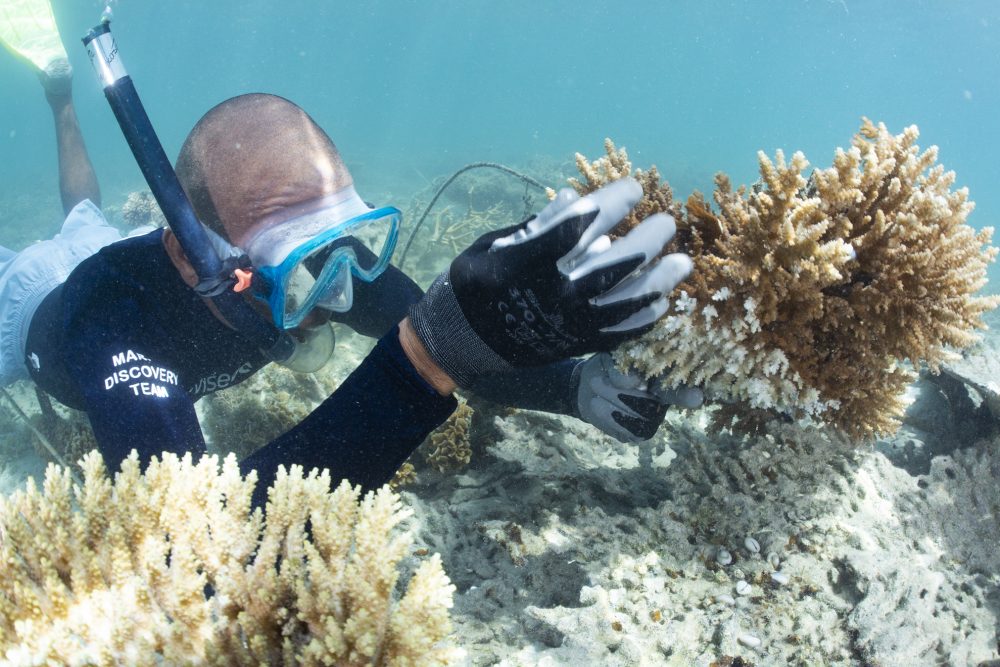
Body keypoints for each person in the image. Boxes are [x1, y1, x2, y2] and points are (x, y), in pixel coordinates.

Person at [1, 63, 697, 504]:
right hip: (27, 306)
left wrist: (571, 386)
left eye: (342, 243)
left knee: (83, 215)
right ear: (193, 260)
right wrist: (421, 361)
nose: (338, 293)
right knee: (57, 246)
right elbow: (194, 546)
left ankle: (62, 98)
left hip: (123, 244)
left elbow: (463, 340)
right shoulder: (112, 321)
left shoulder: (327, 264)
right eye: (297, 260)